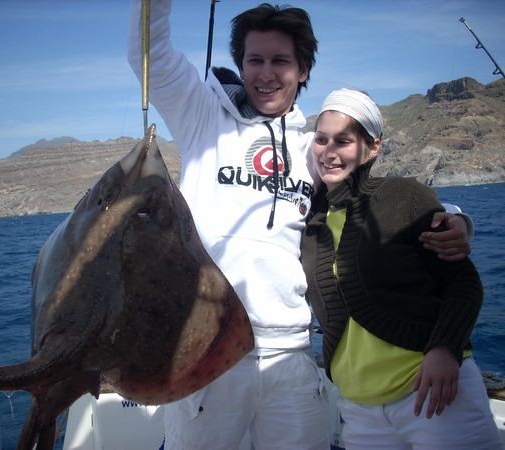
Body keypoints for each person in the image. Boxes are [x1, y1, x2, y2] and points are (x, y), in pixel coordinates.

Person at [128, 2, 471, 449]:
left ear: (303, 69)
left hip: (290, 353)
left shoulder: (312, 149)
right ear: (240, 65)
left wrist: (454, 217)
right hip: (205, 347)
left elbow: (373, 198)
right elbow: (148, 52)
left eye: (281, 61)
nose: (266, 73)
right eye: (255, 60)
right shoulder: (200, 116)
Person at [301, 88, 501, 450]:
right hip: (357, 409)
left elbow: (464, 283)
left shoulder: (403, 195)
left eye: (343, 141)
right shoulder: (310, 219)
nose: (329, 152)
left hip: (432, 396)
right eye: (321, 139)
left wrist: (445, 348)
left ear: (373, 147)